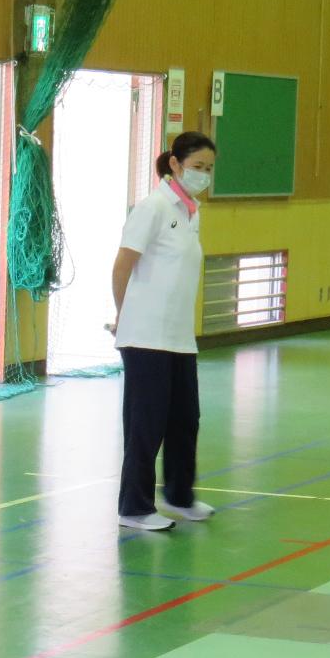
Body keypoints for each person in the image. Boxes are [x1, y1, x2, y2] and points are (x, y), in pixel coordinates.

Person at [115, 131, 215, 531]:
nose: (203, 175)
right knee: (146, 425)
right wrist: (123, 316)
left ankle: (179, 495)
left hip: (179, 338)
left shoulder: (192, 212)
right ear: (174, 164)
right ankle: (134, 507)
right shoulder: (153, 208)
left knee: (185, 420)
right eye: (196, 167)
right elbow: (122, 265)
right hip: (145, 338)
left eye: (209, 169)